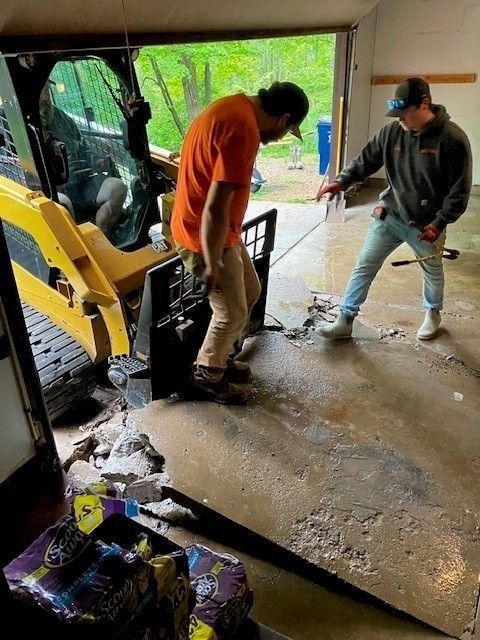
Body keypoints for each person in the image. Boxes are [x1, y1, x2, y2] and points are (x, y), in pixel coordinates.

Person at [172, 81, 309, 404]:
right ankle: (207, 376)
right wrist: (209, 260)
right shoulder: (243, 129)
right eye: (286, 131)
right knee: (230, 311)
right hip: (203, 236)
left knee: (251, 292)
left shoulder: (235, 106)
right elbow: (215, 207)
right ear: (282, 119)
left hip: (220, 234)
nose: (278, 138)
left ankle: (221, 356)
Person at [316, 77, 472, 341]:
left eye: (404, 114)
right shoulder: (392, 133)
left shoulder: (452, 139)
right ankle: (345, 319)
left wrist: (440, 222)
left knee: (432, 272)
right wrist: (340, 182)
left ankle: (433, 313)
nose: (400, 120)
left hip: (427, 226)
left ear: (424, 104)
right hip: (390, 215)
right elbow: (366, 160)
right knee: (365, 264)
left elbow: (459, 191)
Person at [39, 85, 127, 238]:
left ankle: (100, 238)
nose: (45, 96)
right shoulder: (7, 121)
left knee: (117, 188)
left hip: (83, 183)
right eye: (40, 91)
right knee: (61, 205)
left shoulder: (61, 118)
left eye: (46, 90)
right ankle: (77, 249)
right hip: (50, 191)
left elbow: (82, 147)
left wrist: (97, 161)